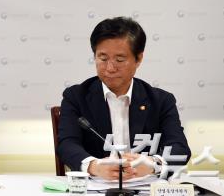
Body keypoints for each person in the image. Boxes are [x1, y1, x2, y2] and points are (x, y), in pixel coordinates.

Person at [58, 17, 191, 180]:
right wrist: (94, 166)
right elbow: (67, 144)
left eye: (119, 60)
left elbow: (179, 148)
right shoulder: (76, 97)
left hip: (145, 186)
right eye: (103, 58)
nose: (110, 68)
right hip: (96, 185)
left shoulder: (161, 101)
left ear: (138, 59)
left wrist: (153, 164)